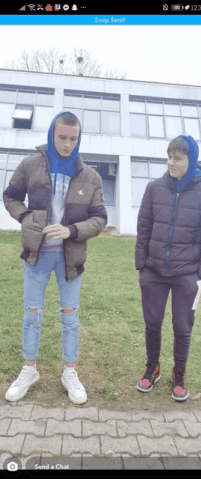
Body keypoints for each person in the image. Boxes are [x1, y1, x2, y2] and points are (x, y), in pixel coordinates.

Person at [3, 111, 107, 405]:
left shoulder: (91, 176)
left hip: (70, 259)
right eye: (62, 137)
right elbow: (10, 196)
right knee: (31, 315)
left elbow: (100, 219)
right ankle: (29, 370)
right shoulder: (30, 165)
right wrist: (27, 218)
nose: (67, 144)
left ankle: (69, 372)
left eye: (73, 139)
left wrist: (72, 230)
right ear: (52, 133)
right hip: (37, 255)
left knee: (70, 318)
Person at [135, 135, 201, 402]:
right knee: (152, 323)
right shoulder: (154, 188)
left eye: (178, 158)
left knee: (182, 328)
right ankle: (153, 367)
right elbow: (144, 227)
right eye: (170, 157)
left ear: (190, 160)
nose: (172, 163)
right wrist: (142, 265)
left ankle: (179, 373)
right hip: (154, 272)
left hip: (188, 274)